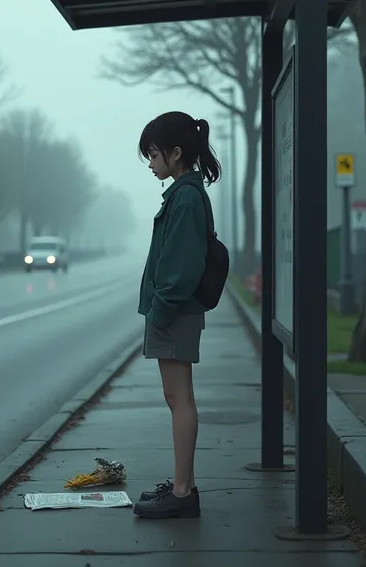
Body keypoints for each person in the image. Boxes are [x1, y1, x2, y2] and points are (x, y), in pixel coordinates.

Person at [133, 111, 221, 520]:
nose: (150, 163)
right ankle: (182, 485)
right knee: (177, 397)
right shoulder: (184, 193)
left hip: (175, 312)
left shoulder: (186, 197)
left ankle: (183, 492)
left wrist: (161, 311)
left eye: (153, 155)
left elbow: (181, 266)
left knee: (179, 399)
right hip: (174, 311)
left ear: (176, 153)